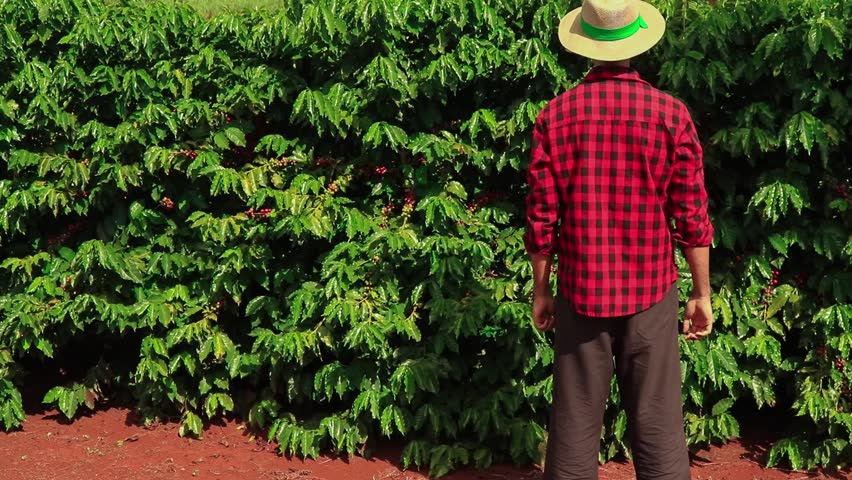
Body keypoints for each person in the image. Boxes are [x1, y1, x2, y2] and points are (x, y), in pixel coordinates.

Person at [523, 0, 715, 479]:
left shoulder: (556, 116)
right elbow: (690, 215)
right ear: (638, 42)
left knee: (573, 418)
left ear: (586, 45)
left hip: (582, 291)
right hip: (651, 290)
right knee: (657, 419)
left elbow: (542, 216)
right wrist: (701, 292)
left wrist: (541, 289)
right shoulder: (669, 114)